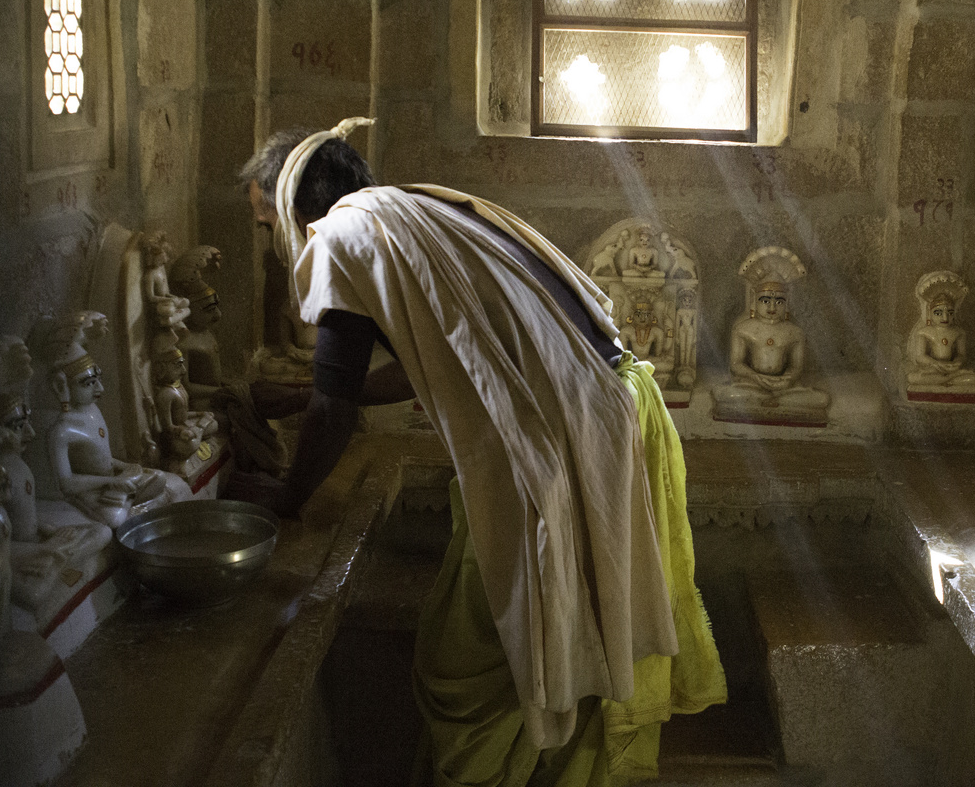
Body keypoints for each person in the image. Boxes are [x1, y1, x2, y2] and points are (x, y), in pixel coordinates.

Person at [228, 120, 725, 786]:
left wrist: (285, 500)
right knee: (572, 629)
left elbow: (335, 407)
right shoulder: (418, 213)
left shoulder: (343, 237)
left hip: (567, 439)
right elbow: (429, 362)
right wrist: (297, 396)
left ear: (292, 205)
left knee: (468, 665)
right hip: (614, 409)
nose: (271, 244)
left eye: (266, 226)